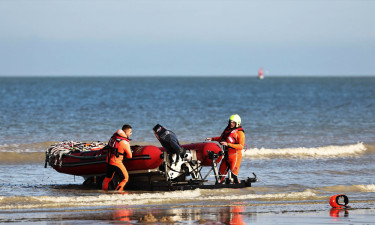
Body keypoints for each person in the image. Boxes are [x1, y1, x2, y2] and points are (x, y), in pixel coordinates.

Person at [206, 114, 245, 184]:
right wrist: (212, 139)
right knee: (219, 177)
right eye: (230, 122)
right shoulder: (227, 130)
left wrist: (228, 144)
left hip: (235, 156)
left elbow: (241, 146)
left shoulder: (240, 133)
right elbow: (221, 139)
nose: (231, 123)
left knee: (233, 177)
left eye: (233, 122)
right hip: (226, 156)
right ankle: (220, 191)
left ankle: (239, 191)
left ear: (237, 123)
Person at [102, 124, 133, 191]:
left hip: (109, 161)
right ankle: (118, 193)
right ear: (125, 131)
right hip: (116, 162)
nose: (131, 133)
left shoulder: (113, 137)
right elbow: (130, 156)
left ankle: (104, 192)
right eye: (130, 132)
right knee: (125, 179)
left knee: (107, 179)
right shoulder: (125, 142)